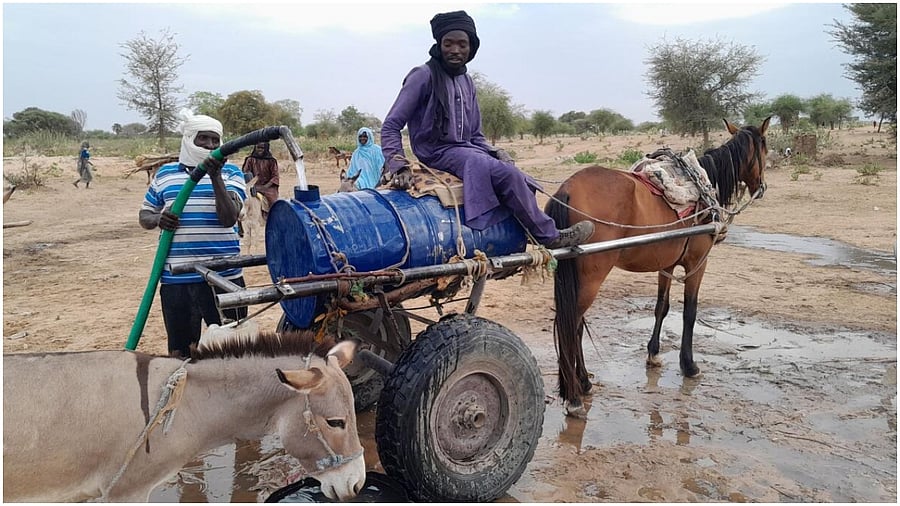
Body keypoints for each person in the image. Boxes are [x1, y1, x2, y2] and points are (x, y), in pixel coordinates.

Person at [381, 10, 594, 249]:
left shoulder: (467, 81)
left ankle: (522, 231)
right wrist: (398, 164)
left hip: (467, 149)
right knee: (501, 173)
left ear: (472, 47)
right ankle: (549, 236)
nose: (455, 50)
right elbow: (391, 125)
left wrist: (494, 151)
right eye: (448, 43)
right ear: (439, 45)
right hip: (437, 151)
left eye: (462, 44)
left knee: (515, 173)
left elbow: (475, 135)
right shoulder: (423, 75)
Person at [138, 110, 248, 358]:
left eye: (215, 140)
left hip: (225, 276)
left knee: (233, 353)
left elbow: (228, 218)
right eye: (203, 139)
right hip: (177, 280)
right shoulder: (165, 174)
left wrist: (215, 176)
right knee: (181, 353)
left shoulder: (231, 174)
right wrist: (159, 218)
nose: (210, 146)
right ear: (188, 139)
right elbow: (144, 216)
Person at [241, 141, 280, 213]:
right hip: (253, 186)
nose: (260, 150)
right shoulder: (250, 159)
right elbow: (245, 173)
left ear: (266, 149)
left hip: (268, 187)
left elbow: (275, 176)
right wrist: (251, 184)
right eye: (258, 147)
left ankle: (272, 217)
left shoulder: (271, 161)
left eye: (262, 148)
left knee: (273, 202)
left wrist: (265, 187)